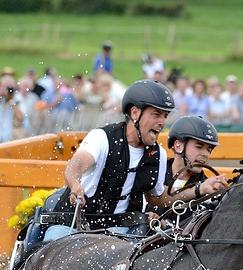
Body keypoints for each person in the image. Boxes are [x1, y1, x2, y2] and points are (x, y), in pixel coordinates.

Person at [52, 80, 212, 236]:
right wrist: (75, 185)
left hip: (119, 231)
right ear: (135, 113)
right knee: (49, 253)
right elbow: (76, 166)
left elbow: (158, 198)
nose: (162, 122)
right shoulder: (102, 137)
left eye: (165, 116)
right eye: (156, 114)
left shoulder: (158, 155)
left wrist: (199, 189)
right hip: (72, 223)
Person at [153, 115, 229, 225]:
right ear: (178, 146)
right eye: (199, 146)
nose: (205, 154)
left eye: (209, 149)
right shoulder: (154, 172)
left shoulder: (207, 189)